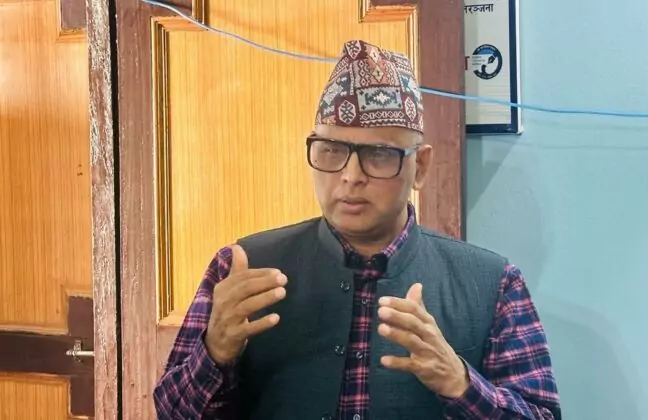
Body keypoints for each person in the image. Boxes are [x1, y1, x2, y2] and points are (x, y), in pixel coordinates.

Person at [153, 39, 561, 420]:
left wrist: (460, 383)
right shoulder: (242, 269)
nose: (350, 176)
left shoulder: (493, 284)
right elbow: (171, 412)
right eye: (331, 150)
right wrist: (215, 352)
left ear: (420, 167)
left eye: (379, 155)